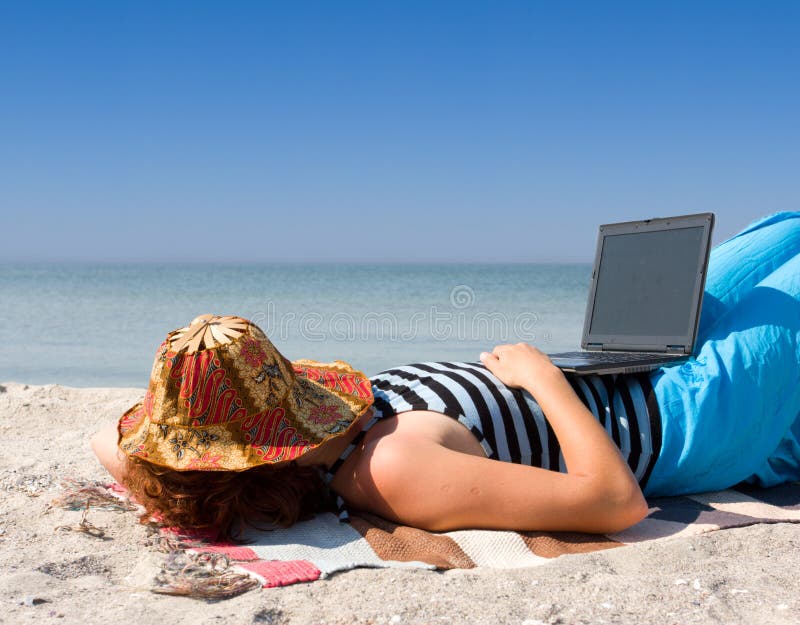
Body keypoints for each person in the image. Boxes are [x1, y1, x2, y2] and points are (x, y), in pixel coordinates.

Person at [92, 212, 800, 540]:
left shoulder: (342, 421)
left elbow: (107, 443)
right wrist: (544, 381)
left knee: (782, 225)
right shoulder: (386, 468)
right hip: (685, 415)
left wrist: (176, 448)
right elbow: (615, 504)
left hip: (631, 362)